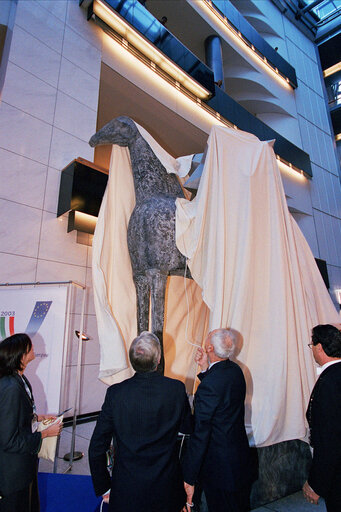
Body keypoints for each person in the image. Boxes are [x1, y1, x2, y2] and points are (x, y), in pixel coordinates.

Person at [88, 331, 192, 512]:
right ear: (158, 359)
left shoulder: (116, 394)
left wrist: (104, 487)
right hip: (167, 488)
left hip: (127, 490)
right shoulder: (176, 389)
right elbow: (187, 428)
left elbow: (97, 446)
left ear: (132, 361)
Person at [182, 328, 252, 512]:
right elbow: (221, 396)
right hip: (238, 461)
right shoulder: (235, 371)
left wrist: (189, 475)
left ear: (209, 347)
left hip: (220, 468)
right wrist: (205, 369)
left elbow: (201, 432)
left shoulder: (211, 384)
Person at [0, 333, 62, 512]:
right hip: (12, 475)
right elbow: (9, 440)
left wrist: (37, 418)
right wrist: (45, 433)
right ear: (21, 356)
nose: (34, 349)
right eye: (30, 347)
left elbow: (16, 416)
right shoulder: (10, 387)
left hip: (24, 467)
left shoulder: (20, 379)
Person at [302, 324, 341, 511]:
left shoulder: (329, 383)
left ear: (319, 348)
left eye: (311, 345)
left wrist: (316, 483)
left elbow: (329, 440)